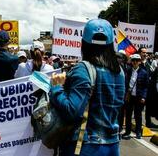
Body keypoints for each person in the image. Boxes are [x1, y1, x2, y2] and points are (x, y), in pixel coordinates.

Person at [50, 19, 125, 156]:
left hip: (86, 146)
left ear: (83, 43)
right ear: (110, 44)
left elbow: (72, 111)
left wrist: (56, 88)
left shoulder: (83, 69)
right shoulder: (120, 72)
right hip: (112, 145)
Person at [122, 54, 148, 139]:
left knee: (138, 115)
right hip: (130, 96)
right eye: (133, 60)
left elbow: (145, 86)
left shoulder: (144, 73)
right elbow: (125, 83)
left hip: (139, 97)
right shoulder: (128, 71)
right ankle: (127, 131)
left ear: (140, 62)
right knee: (128, 115)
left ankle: (138, 132)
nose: (135, 62)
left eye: (137, 60)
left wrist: (144, 97)